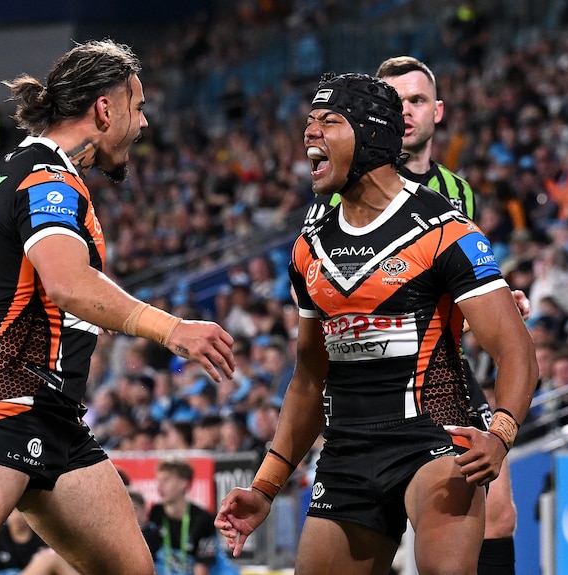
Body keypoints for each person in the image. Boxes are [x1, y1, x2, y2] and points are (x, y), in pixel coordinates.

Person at [0, 39, 235, 575]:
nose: (145, 123)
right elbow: (67, 283)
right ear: (105, 109)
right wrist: (171, 329)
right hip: (9, 399)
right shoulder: (48, 178)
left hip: (53, 410)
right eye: (139, 106)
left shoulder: (24, 167)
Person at [215, 72, 537, 575]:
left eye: (329, 122)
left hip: (436, 437)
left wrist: (499, 434)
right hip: (347, 450)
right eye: (309, 123)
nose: (310, 135)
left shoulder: (446, 230)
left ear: (370, 136)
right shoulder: (309, 246)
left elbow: (516, 352)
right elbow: (307, 380)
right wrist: (264, 488)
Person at [300, 55, 527, 574]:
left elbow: (446, 283)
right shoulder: (338, 194)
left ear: (437, 112)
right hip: (365, 395)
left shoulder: (457, 194)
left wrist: (497, 304)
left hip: (442, 377)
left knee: (500, 515)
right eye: (393, 101)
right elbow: (346, 299)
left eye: (416, 100)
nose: (404, 112)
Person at [148, 457, 222, 575]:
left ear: (183, 483)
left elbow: (202, 568)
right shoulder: (155, 513)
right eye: (159, 480)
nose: (159, 487)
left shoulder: (203, 519)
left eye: (166, 480)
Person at [0, 509, 80, 575]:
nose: (18, 516)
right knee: (50, 558)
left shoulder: (42, 536)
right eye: (14, 510)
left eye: (21, 511)